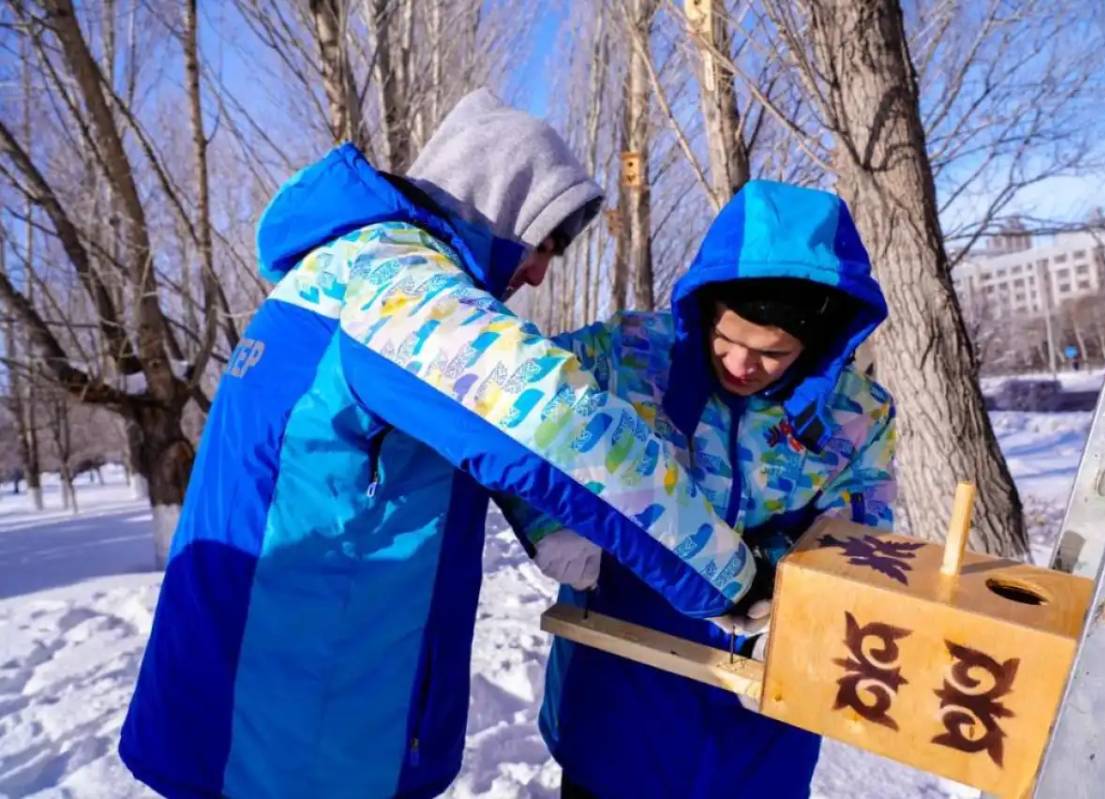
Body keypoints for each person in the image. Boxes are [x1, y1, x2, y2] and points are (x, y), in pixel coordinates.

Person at [118, 89, 769, 799]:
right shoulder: (396, 285)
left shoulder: (340, 271)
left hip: (263, 698)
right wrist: (732, 577)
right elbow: (560, 428)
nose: (541, 271)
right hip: (291, 728)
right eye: (543, 240)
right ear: (495, 201)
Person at [506, 181, 898, 799]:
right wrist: (546, 519)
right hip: (620, 693)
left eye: (774, 353)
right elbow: (509, 403)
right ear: (706, 306)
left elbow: (860, 534)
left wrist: (799, 592)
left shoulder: (857, 415)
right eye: (729, 338)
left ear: (819, 344)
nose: (742, 365)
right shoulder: (629, 355)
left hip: (762, 717)